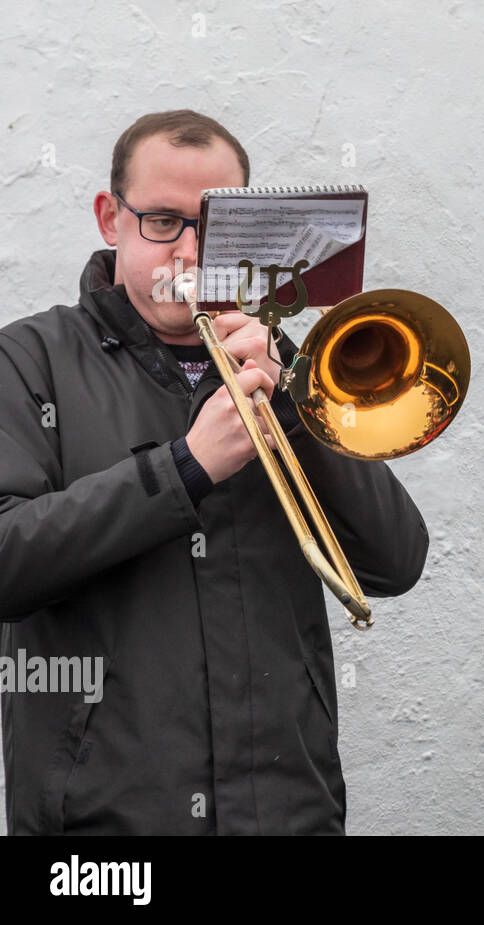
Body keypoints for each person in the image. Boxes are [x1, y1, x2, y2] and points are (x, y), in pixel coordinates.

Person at [0, 110, 429, 834]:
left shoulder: (285, 365)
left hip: (288, 810)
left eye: (217, 226)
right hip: (103, 826)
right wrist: (185, 468)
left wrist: (297, 404)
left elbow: (396, 559)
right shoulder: (29, 360)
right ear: (111, 218)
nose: (192, 251)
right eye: (163, 221)